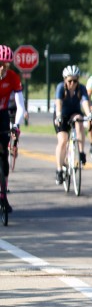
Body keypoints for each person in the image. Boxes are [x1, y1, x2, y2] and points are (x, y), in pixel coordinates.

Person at [53, 65, 92, 184]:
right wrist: (59, 115)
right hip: (62, 114)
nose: (72, 83)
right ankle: (59, 170)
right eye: (70, 81)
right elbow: (58, 103)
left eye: (75, 81)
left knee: (79, 119)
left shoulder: (81, 88)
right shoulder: (61, 87)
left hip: (74, 113)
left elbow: (85, 102)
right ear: (65, 80)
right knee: (63, 140)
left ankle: (81, 152)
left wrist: (89, 114)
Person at [0, 45, 26, 212]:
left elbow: (20, 105)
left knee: (4, 154)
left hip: (2, 114)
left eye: (6, 64)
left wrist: (16, 125)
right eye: (0, 63)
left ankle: (3, 195)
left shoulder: (12, 77)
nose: (3, 67)